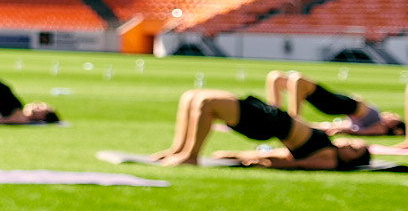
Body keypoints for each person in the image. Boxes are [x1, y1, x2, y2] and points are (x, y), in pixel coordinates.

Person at [146, 88, 372, 169]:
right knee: (192, 97)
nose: (348, 143)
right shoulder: (326, 148)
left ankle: (190, 156)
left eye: (353, 149)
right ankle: (178, 150)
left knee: (205, 103)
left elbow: (295, 164)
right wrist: (239, 155)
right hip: (271, 119)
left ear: (349, 160)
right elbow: (283, 153)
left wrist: (263, 164)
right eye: (353, 142)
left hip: (268, 124)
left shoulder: (330, 159)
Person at [264, 70, 405, 137]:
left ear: (393, 126)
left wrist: (347, 131)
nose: (391, 115)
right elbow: (332, 127)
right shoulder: (374, 119)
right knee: (275, 77)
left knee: (297, 80)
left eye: (394, 118)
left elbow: (365, 131)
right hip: (339, 104)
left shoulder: (380, 126)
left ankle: (293, 121)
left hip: (338, 105)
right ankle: (274, 115)